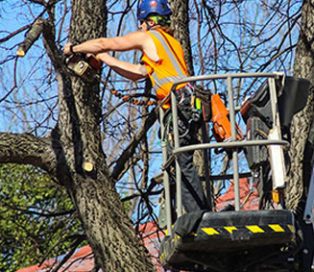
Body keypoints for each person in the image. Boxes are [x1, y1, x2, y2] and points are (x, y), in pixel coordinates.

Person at [63, 0, 207, 212]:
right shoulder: (170, 43)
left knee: (182, 161)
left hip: (179, 104)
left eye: (141, 23)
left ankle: (198, 214)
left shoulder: (148, 36)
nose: (139, 27)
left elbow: (105, 42)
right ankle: (192, 214)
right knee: (179, 161)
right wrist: (106, 59)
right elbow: (138, 73)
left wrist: (74, 48)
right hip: (185, 103)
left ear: (148, 21)